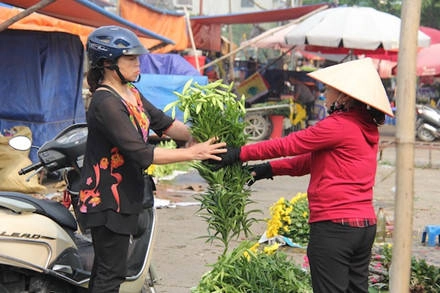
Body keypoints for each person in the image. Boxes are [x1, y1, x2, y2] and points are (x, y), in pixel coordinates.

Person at [211, 58, 394, 293]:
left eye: (327, 89)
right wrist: (267, 170)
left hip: (335, 227)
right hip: (363, 226)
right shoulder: (365, 126)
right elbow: (311, 161)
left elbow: (289, 144)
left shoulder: (338, 126)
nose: (322, 94)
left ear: (344, 96)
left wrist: (238, 154)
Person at [77, 25, 226, 293]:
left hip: (127, 195)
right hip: (109, 200)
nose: (138, 64)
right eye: (131, 59)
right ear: (108, 63)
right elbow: (142, 153)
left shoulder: (130, 93)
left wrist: (204, 134)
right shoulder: (105, 102)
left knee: (109, 272)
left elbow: (164, 124)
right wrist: (194, 152)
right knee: (110, 276)